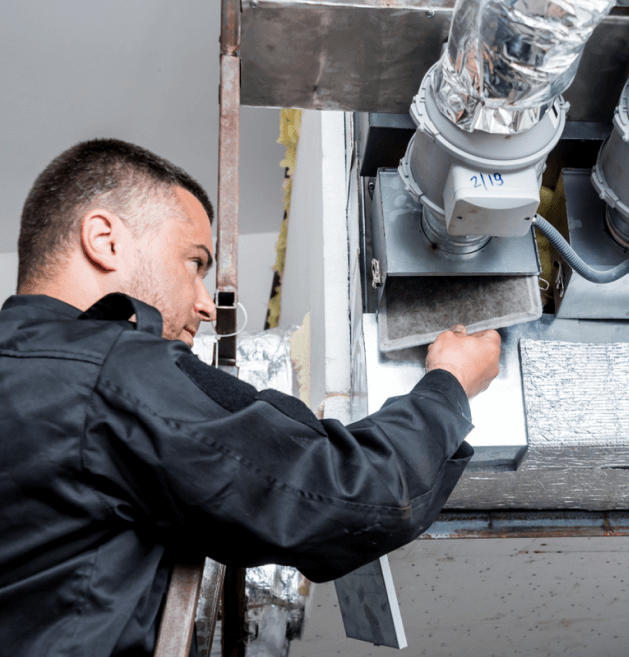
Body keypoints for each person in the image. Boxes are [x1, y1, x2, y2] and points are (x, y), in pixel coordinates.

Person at [0, 139, 501, 656]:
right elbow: (346, 491)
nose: (203, 303)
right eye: (195, 263)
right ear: (104, 240)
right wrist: (450, 385)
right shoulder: (111, 371)